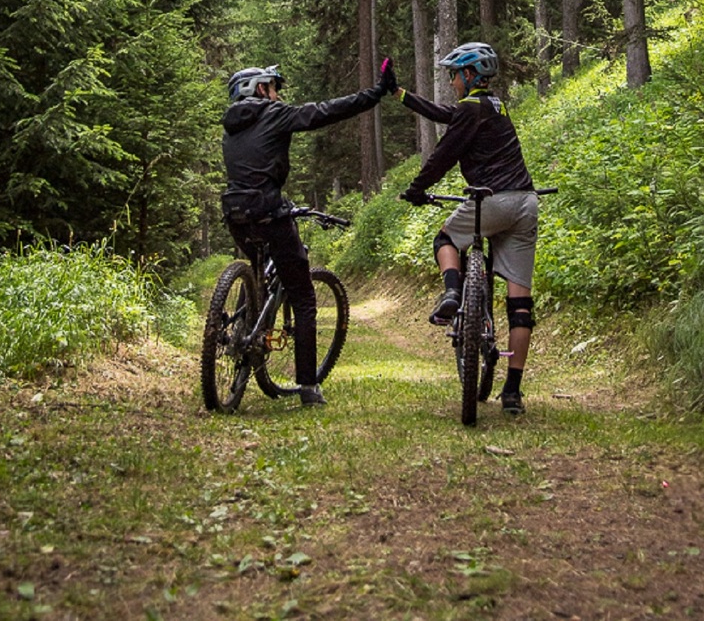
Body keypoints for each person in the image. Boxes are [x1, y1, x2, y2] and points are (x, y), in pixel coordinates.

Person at [221, 59, 395, 406]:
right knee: (302, 296)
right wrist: (375, 93)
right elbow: (325, 111)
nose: (278, 93)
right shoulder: (274, 113)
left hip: (235, 213)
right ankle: (308, 386)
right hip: (269, 211)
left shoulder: (230, 127)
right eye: (274, 87)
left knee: (257, 269)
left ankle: (240, 332)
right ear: (261, 89)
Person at [394, 42, 538, 415]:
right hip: (526, 202)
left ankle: (452, 294)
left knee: (445, 238)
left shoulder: (471, 109)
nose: (452, 82)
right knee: (520, 304)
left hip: (492, 201)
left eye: (454, 75)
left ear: (469, 74)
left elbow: (443, 155)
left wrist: (416, 190)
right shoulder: (494, 105)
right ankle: (512, 392)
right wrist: (401, 94)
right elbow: (449, 114)